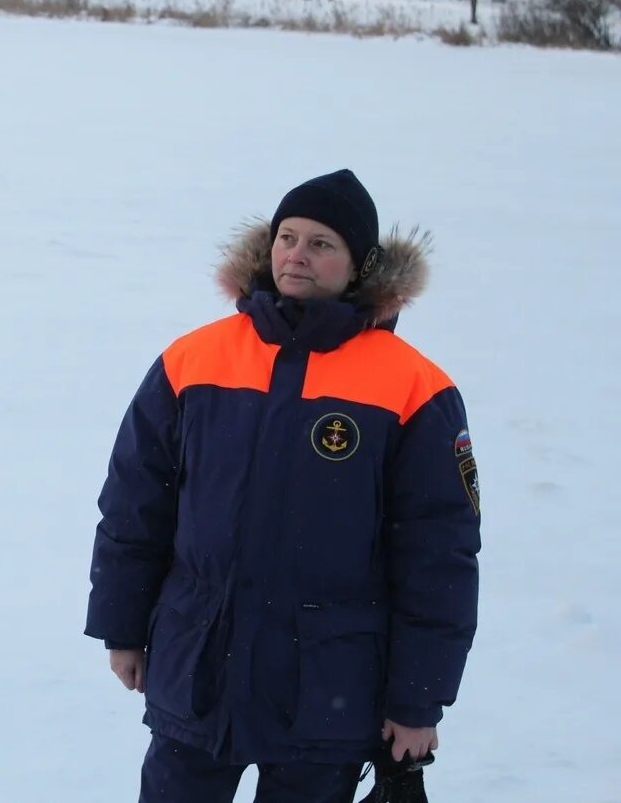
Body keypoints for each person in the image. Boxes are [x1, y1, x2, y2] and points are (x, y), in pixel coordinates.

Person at [85, 170, 480, 803]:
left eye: (321, 243)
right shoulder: (193, 359)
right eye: (287, 237)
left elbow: (440, 554)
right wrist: (122, 624)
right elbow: (136, 504)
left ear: (359, 265)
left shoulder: (414, 387)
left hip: (327, 686)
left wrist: (418, 698)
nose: (297, 254)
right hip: (198, 668)